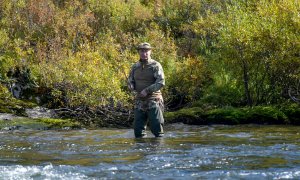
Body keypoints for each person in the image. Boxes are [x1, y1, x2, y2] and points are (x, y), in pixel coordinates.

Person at [128, 42, 165, 138]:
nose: (144, 53)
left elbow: (161, 82)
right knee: (138, 131)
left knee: (157, 129)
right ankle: (142, 150)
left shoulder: (155, 65)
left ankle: (157, 151)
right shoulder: (135, 66)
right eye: (142, 51)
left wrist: (147, 91)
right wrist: (131, 86)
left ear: (150, 52)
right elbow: (130, 80)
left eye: (146, 51)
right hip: (139, 101)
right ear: (139, 52)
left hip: (154, 101)